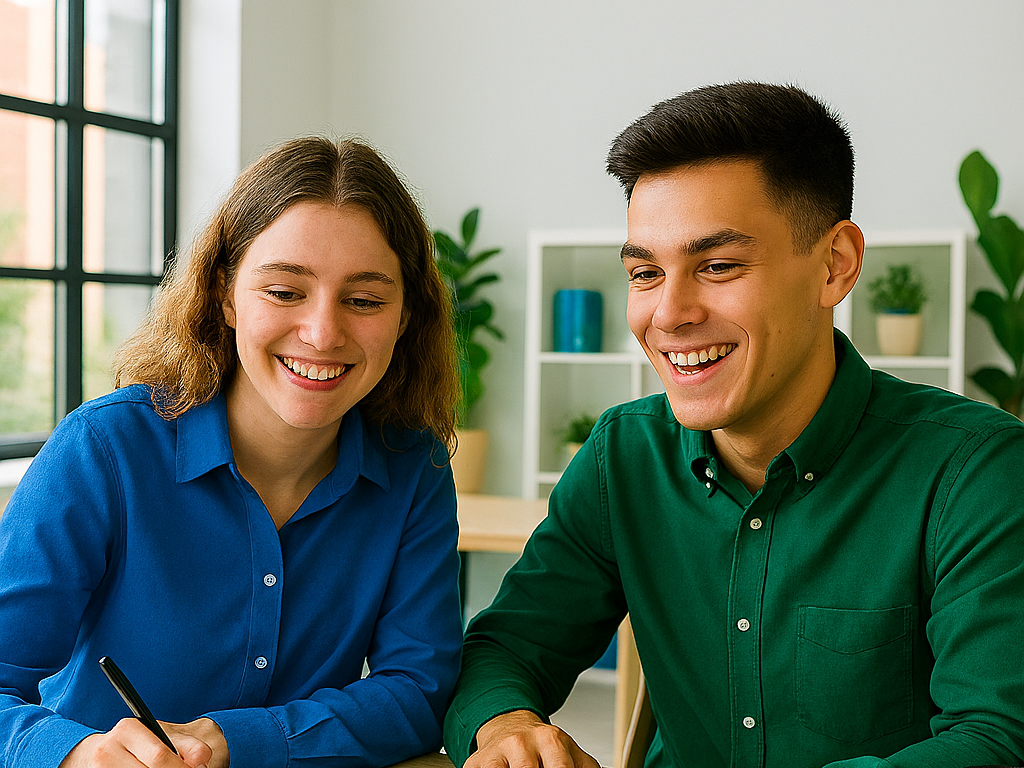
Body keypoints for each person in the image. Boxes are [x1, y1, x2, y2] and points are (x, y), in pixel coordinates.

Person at [443, 82, 1024, 768]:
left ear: (835, 264)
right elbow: (506, 648)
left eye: (717, 266)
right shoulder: (622, 456)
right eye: (645, 272)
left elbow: (995, 739)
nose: (669, 314)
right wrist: (507, 725)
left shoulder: (975, 471)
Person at [0, 136, 464, 768]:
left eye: (364, 300)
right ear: (224, 295)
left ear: (405, 315)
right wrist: (77, 754)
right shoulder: (105, 450)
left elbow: (418, 693)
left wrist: (235, 740)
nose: (323, 333)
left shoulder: (416, 470)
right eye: (283, 291)